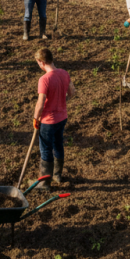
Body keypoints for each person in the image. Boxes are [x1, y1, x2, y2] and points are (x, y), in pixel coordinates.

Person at [32, 48, 76, 189]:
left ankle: (44, 183)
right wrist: (60, 98)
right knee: (58, 144)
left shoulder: (44, 79)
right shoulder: (64, 73)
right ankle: (57, 175)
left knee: (45, 149)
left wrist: (35, 118)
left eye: (38, 63)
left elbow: (40, 103)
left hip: (48, 121)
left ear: (42, 62)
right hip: (62, 117)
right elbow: (72, 93)